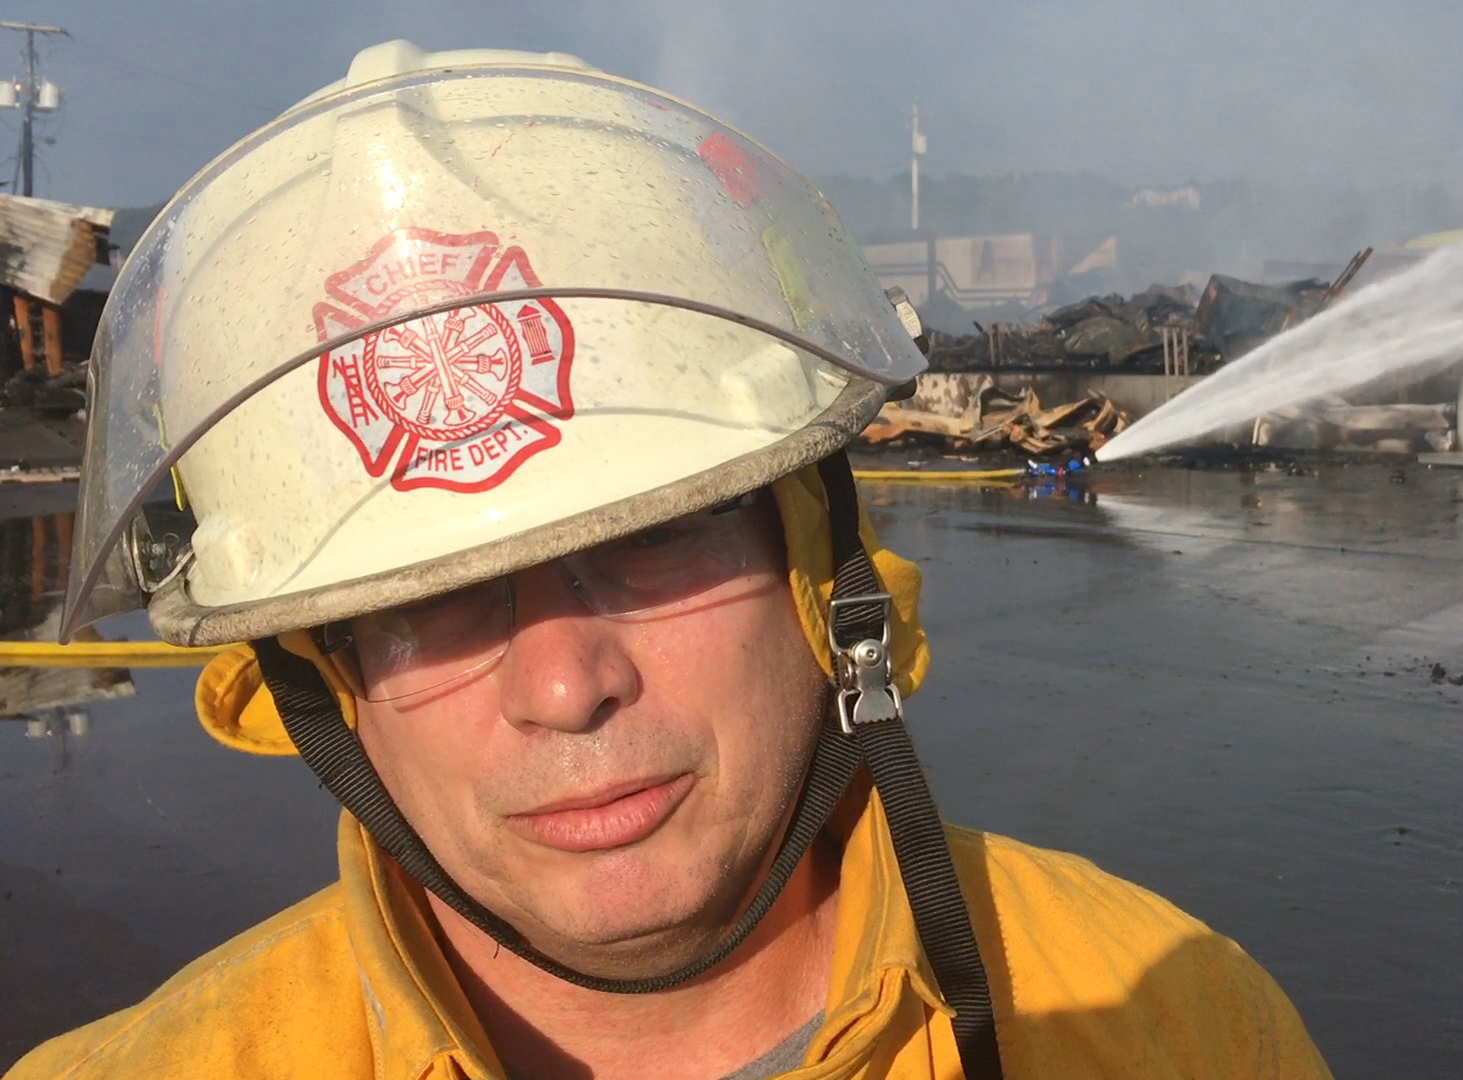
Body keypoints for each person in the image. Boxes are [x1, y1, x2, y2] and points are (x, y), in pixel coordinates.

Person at [8, 42, 1333, 1080]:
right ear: (315, 674)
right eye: (413, 600)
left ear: (825, 576)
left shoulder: (1174, 1019)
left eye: (646, 541)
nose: (563, 685)